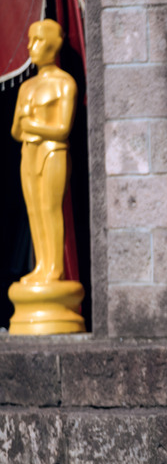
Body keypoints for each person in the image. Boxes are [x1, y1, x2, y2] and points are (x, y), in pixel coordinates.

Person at [10, 19, 77, 285]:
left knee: (51, 208)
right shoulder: (26, 87)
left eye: (37, 40)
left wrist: (32, 125)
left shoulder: (64, 83)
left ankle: (54, 268)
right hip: (29, 152)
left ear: (53, 43)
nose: (30, 47)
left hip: (53, 152)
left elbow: (61, 129)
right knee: (34, 211)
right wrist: (25, 124)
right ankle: (41, 265)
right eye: (30, 40)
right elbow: (16, 130)